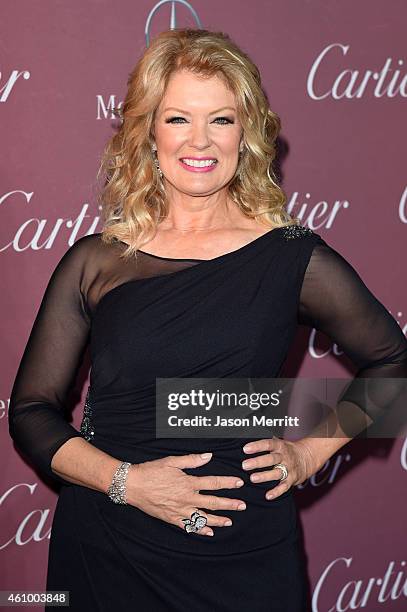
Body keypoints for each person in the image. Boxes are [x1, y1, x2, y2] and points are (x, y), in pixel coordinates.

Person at [8, 28, 407, 612]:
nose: (200, 141)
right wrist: (129, 483)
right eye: (177, 120)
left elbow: (393, 362)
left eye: (220, 119)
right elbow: (31, 412)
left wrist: (308, 453)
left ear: (246, 134)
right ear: (148, 132)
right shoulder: (97, 260)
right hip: (107, 540)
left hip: (242, 550)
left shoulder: (290, 256)